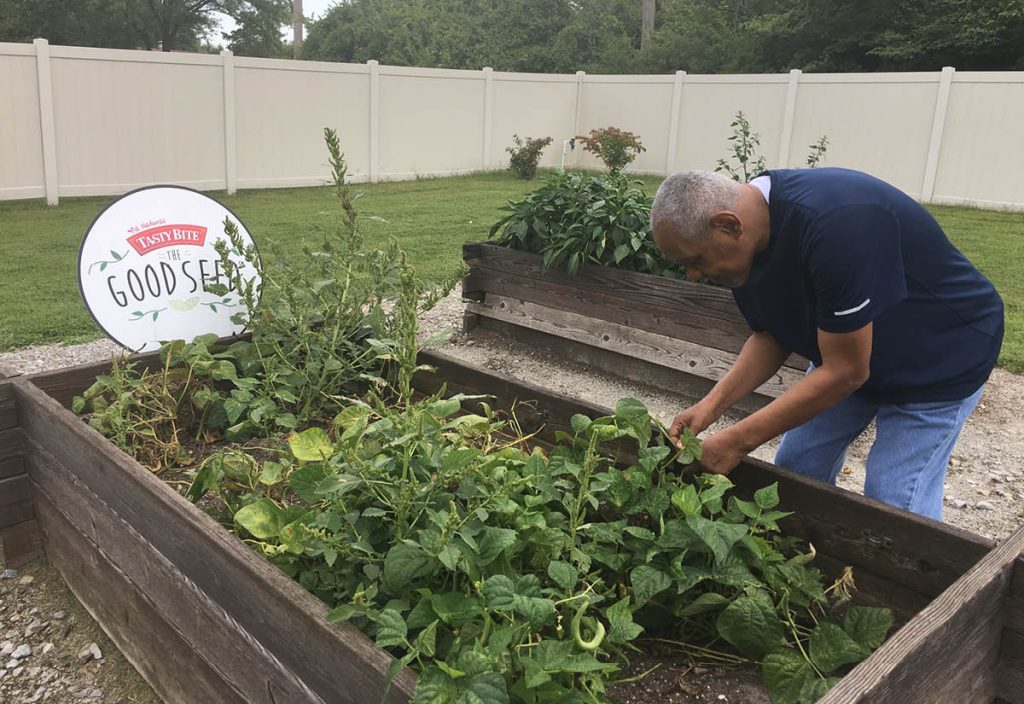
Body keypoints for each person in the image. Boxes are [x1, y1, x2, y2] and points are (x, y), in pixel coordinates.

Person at [650, 167, 1004, 520]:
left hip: (939, 354)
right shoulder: (746, 250)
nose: (693, 275)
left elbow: (846, 373)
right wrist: (711, 406)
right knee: (798, 467)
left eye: (695, 261)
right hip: (850, 352)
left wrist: (736, 441)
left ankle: (928, 577)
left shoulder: (834, 224)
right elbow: (770, 335)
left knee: (894, 503)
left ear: (729, 225)